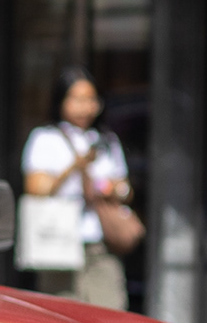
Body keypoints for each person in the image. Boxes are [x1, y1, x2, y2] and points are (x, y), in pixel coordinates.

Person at [21, 69, 136, 310]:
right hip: (58, 241)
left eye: (91, 99)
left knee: (111, 313)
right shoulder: (45, 138)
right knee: (63, 315)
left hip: (99, 242)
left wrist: (112, 189)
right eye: (77, 99)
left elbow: (125, 189)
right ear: (61, 101)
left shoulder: (106, 140)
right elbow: (36, 189)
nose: (85, 107)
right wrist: (75, 166)